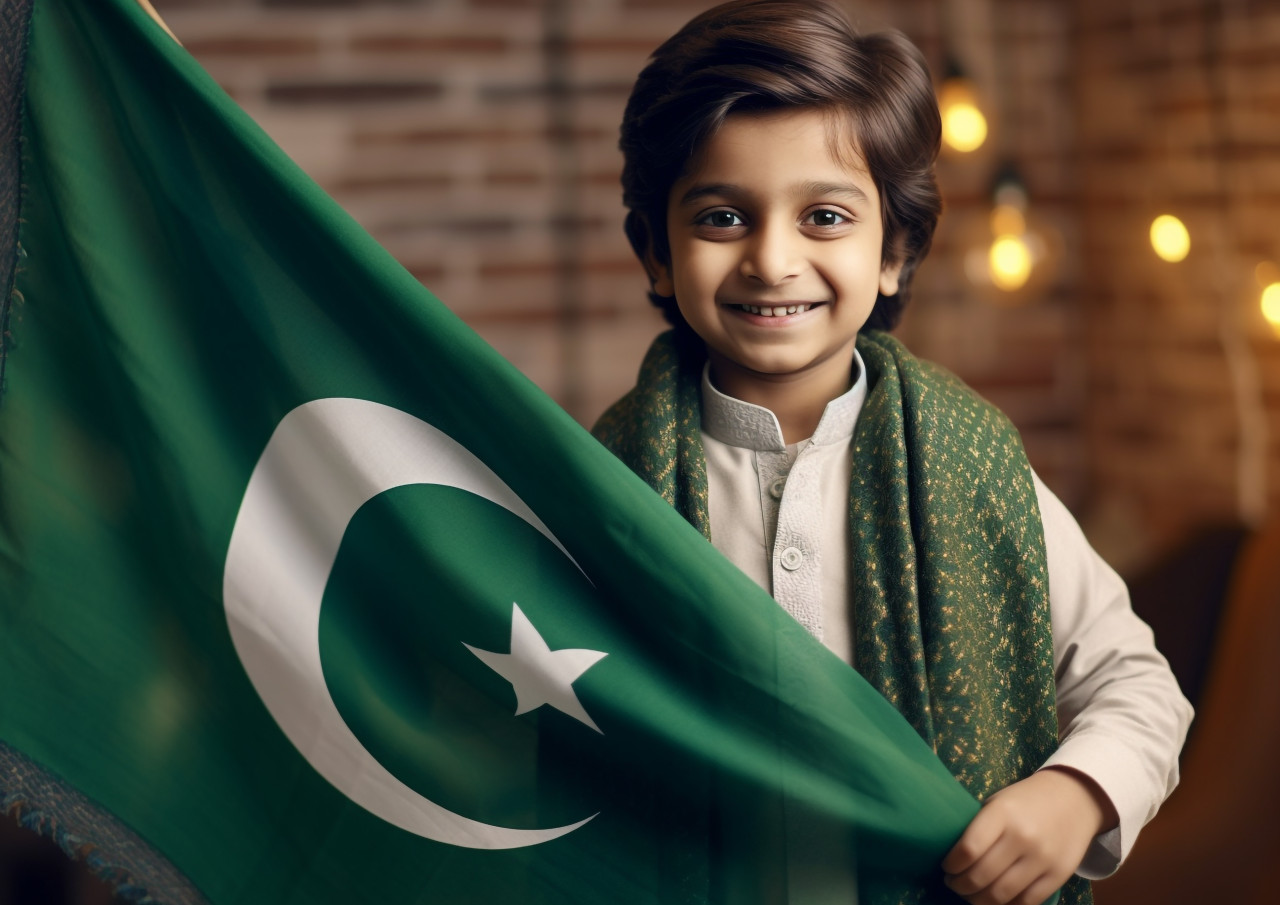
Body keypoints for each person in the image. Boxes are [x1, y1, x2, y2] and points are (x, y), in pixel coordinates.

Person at [592, 2, 1193, 904]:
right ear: (657, 253)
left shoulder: (974, 467)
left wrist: (1077, 794)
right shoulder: (609, 483)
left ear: (895, 251)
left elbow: (1136, 682)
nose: (773, 260)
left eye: (825, 216)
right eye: (722, 217)